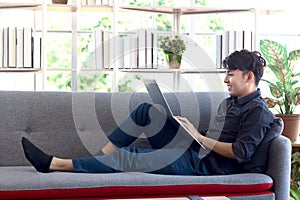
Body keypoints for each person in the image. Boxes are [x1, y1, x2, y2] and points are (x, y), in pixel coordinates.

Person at [22, 49, 275, 175]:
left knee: (130, 154)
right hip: (195, 149)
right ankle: (98, 161)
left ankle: (56, 164)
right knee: (147, 111)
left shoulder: (259, 112)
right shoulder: (231, 102)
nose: (226, 80)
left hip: (206, 165)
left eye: (230, 74)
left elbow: (241, 152)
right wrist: (188, 133)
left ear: (249, 76)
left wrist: (199, 136)